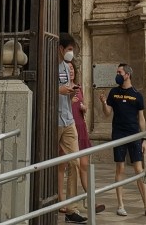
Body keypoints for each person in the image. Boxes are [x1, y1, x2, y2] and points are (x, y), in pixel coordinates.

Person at [98, 64, 146, 217]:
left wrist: (143, 138)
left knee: (139, 170)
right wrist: (103, 102)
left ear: (127, 74)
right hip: (118, 134)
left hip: (134, 135)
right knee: (120, 169)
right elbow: (107, 113)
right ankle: (120, 205)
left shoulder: (137, 95)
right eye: (117, 72)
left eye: (119, 72)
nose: (117, 74)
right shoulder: (114, 92)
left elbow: (141, 118)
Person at [69, 62, 105, 212]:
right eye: (68, 69)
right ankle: (66, 203)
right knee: (71, 167)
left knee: (84, 165)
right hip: (69, 130)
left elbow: (82, 106)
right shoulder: (62, 89)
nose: (71, 71)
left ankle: (92, 201)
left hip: (81, 129)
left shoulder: (78, 88)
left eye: (72, 69)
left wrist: (84, 108)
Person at [58, 33, 87, 224]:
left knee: (75, 162)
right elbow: (40, 87)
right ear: (60, 48)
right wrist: (58, 90)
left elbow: (66, 90)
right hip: (52, 119)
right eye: (69, 49)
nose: (71, 53)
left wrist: (71, 92)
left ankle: (71, 208)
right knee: (49, 163)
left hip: (68, 119)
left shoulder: (67, 68)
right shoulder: (47, 64)